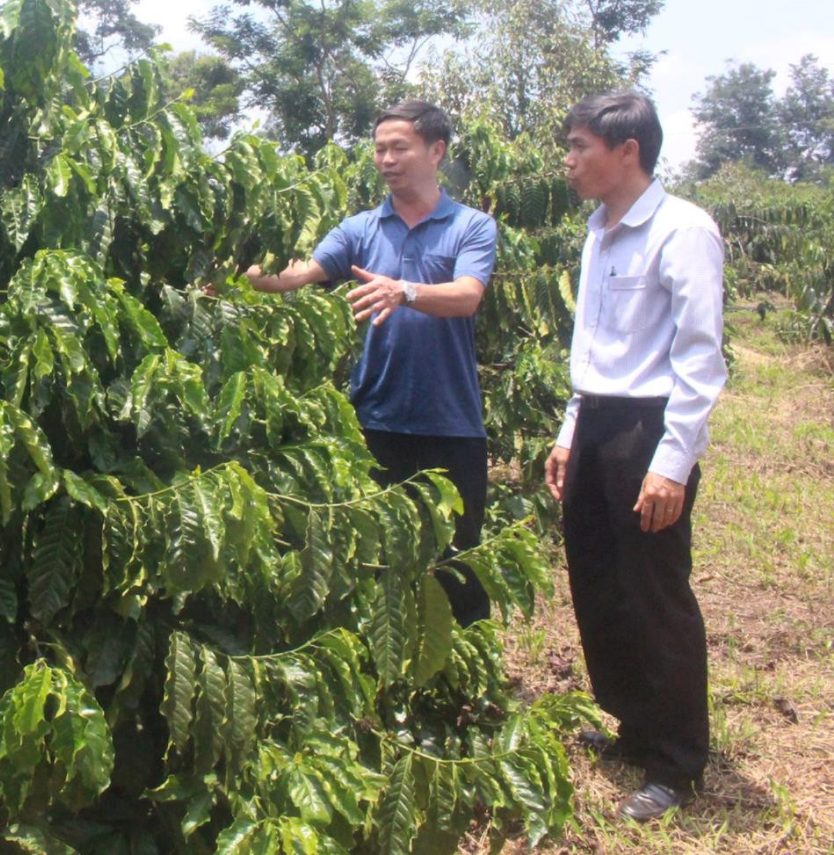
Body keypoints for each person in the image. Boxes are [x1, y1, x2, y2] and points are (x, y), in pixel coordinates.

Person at [544, 92, 726, 822]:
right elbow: (592, 346)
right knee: (599, 582)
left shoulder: (683, 229)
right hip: (597, 422)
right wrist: (570, 429)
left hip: (648, 428)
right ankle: (635, 724)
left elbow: (700, 358)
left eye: (579, 146)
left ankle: (677, 762)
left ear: (628, 151)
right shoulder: (597, 231)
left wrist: (672, 462)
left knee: (654, 592)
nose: (568, 160)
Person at [245, 100, 497, 626]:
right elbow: (299, 273)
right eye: (379, 149)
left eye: (399, 148)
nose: (386, 159)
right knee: (375, 559)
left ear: (436, 151)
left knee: (457, 562)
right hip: (375, 421)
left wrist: (405, 290)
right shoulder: (361, 229)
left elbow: (467, 295)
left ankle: (463, 667)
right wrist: (235, 272)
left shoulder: (470, 226)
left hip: (450, 424)